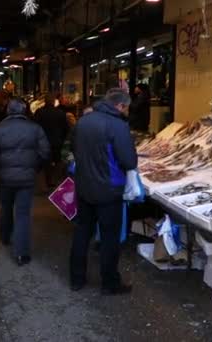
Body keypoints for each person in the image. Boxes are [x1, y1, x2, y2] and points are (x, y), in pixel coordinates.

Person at [70, 88, 138, 296]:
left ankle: (76, 279)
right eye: (126, 108)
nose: (126, 112)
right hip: (109, 190)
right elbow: (128, 160)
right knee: (110, 238)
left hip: (84, 187)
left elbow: (75, 150)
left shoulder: (83, 121)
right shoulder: (118, 125)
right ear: (120, 105)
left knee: (82, 232)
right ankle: (110, 283)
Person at [0, 98, 50, 266]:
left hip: (3, 178)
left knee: (5, 207)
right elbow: (45, 152)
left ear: (8, 111)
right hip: (26, 179)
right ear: (25, 111)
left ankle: (5, 236)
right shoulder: (35, 129)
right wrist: (33, 167)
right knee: (23, 214)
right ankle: (21, 253)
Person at [34, 93, 69, 188]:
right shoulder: (60, 113)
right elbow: (66, 128)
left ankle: (46, 180)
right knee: (57, 160)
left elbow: (35, 127)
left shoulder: (39, 112)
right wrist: (62, 138)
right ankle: (55, 180)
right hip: (57, 141)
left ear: (45, 101)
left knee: (45, 162)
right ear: (54, 102)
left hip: (43, 141)